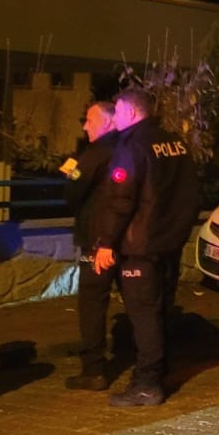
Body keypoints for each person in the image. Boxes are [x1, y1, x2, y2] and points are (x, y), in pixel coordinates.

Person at [91, 87, 199, 407]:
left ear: (133, 113)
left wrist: (107, 242)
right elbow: (191, 193)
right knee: (160, 309)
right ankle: (159, 371)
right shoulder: (175, 143)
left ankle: (147, 383)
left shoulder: (131, 147)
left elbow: (120, 200)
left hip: (141, 247)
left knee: (144, 315)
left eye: (119, 113)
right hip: (169, 244)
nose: (116, 120)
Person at [62, 100, 120, 390]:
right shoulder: (128, 148)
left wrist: (70, 173)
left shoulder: (97, 153)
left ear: (109, 121)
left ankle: (94, 369)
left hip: (97, 241)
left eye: (89, 120)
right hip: (128, 239)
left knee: (92, 304)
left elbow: (73, 191)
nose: (85, 126)